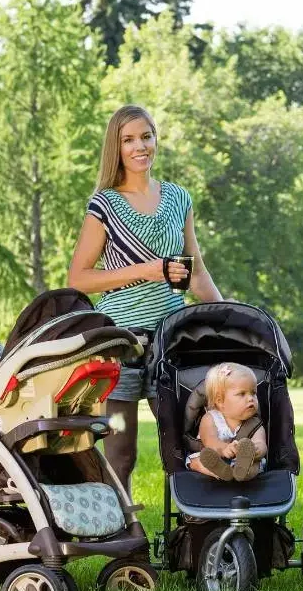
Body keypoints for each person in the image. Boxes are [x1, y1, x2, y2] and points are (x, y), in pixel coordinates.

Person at [67, 104, 224, 492]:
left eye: (147, 136)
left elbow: (198, 272)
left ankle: (192, 531)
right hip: (118, 347)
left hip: (171, 341)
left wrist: (226, 320)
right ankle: (123, 540)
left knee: (185, 444)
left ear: (156, 140)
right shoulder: (104, 205)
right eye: (129, 139)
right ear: (116, 148)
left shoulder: (178, 198)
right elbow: (78, 279)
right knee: (121, 452)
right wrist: (146, 270)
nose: (140, 146)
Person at [187, 362, 267, 481]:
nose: (251, 398)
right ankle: (222, 472)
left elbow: (261, 444)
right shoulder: (210, 418)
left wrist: (254, 451)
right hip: (215, 457)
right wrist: (224, 449)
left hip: (243, 462)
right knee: (196, 461)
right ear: (220, 401)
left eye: (253, 393)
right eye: (242, 394)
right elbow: (210, 441)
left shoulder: (254, 423)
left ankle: (242, 473)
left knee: (256, 464)